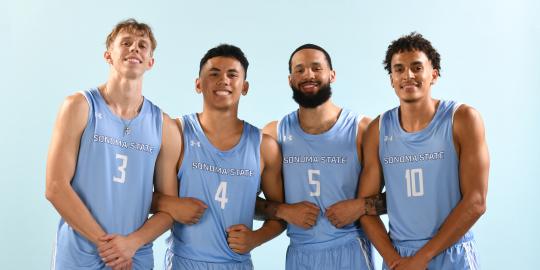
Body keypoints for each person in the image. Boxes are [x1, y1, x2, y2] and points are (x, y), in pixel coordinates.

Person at [45, 19, 187, 269]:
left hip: (134, 256)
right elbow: (56, 187)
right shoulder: (79, 107)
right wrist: (108, 245)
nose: (135, 49)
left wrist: (131, 243)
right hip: (80, 254)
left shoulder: (165, 126)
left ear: (150, 62)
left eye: (143, 45)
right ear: (108, 55)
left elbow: (169, 208)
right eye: (126, 43)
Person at [359, 32, 489, 270]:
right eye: (398, 69)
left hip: (452, 252)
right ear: (391, 79)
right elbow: (366, 207)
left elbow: (476, 201)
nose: (407, 75)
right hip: (400, 257)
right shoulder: (378, 129)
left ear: (434, 75)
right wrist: (393, 260)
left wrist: (423, 257)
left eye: (416, 67)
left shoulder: (462, 119)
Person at [153, 44, 285, 270]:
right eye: (214, 73)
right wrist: (171, 204)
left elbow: (281, 213)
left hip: (237, 264)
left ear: (244, 87)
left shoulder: (264, 146)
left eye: (232, 75)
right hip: (183, 263)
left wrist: (256, 238)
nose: (223, 80)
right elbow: (140, 197)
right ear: (198, 84)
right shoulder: (176, 133)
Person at [260, 44, 375, 270]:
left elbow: (402, 198)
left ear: (331, 75)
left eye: (316, 68)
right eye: (300, 70)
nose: (308, 75)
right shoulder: (274, 133)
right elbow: (245, 200)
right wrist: (284, 210)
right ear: (290, 79)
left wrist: (361, 206)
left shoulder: (362, 129)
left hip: (350, 250)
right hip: (300, 255)